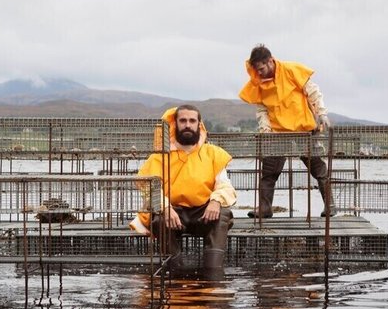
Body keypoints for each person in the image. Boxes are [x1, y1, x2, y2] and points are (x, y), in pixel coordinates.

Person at [130, 104, 237, 279]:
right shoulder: (158, 157)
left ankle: (213, 274)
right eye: (183, 121)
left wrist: (215, 201)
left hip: (202, 213)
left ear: (199, 125)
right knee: (158, 219)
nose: (188, 125)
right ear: (175, 124)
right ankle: (175, 272)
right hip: (173, 213)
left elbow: (225, 186)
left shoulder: (213, 153)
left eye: (192, 121)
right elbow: (149, 189)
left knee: (223, 213)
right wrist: (166, 208)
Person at [239, 44, 335, 218]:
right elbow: (262, 109)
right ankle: (265, 209)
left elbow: (313, 92)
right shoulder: (258, 82)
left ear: (269, 61)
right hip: (277, 133)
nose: (259, 73)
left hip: (304, 129)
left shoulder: (291, 70)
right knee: (269, 171)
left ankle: (330, 205)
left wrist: (322, 114)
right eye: (256, 70)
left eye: (261, 68)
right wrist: (265, 129)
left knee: (318, 168)